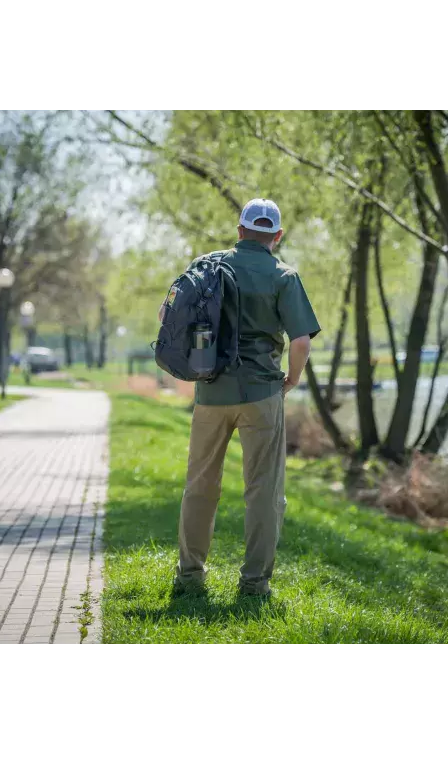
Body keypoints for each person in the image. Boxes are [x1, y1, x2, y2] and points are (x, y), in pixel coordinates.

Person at [170, 198, 321, 597]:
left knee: (200, 485)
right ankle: (254, 584)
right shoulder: (284, 276)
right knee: (263, 491)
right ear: (277, 235)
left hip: (210, 393)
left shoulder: (209, 264)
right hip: (261, 394)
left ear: (239, 231)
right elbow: (301, 341)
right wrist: (291, 379)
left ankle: (190, 576)